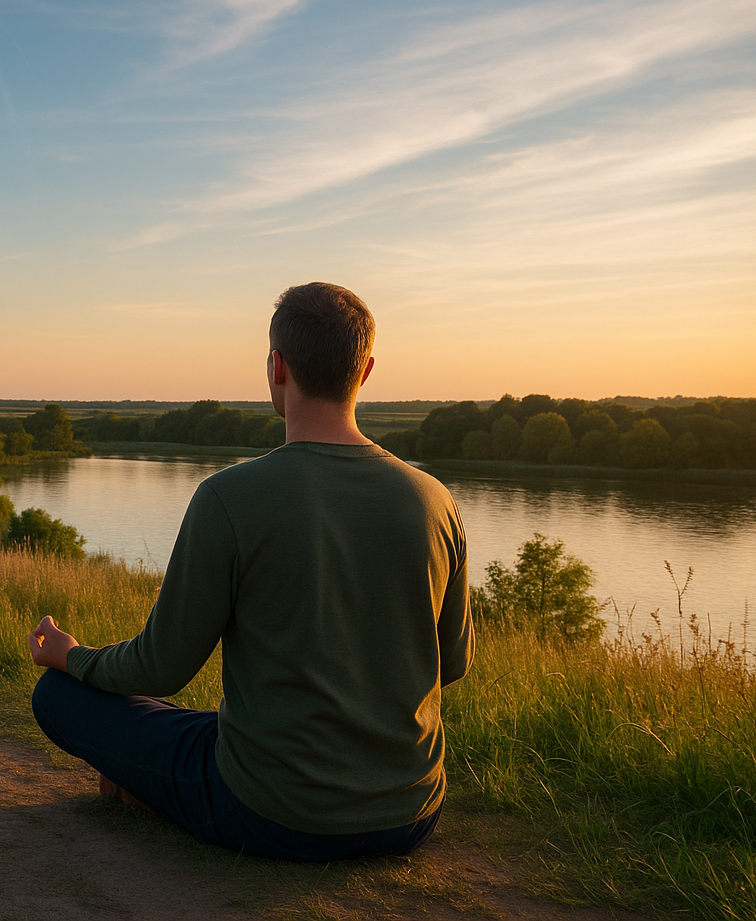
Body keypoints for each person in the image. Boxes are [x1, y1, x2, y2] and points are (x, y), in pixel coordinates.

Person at [28, 281, 473, 861]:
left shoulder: (229, 497)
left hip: (271, 812)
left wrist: (72, 657)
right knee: (201, 727)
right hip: (410, 814)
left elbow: (160, 667)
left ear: (277, 366)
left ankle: (149, 788)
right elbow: (455, 663)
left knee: (58, 696)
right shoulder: (436, 500)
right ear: (366, 371)